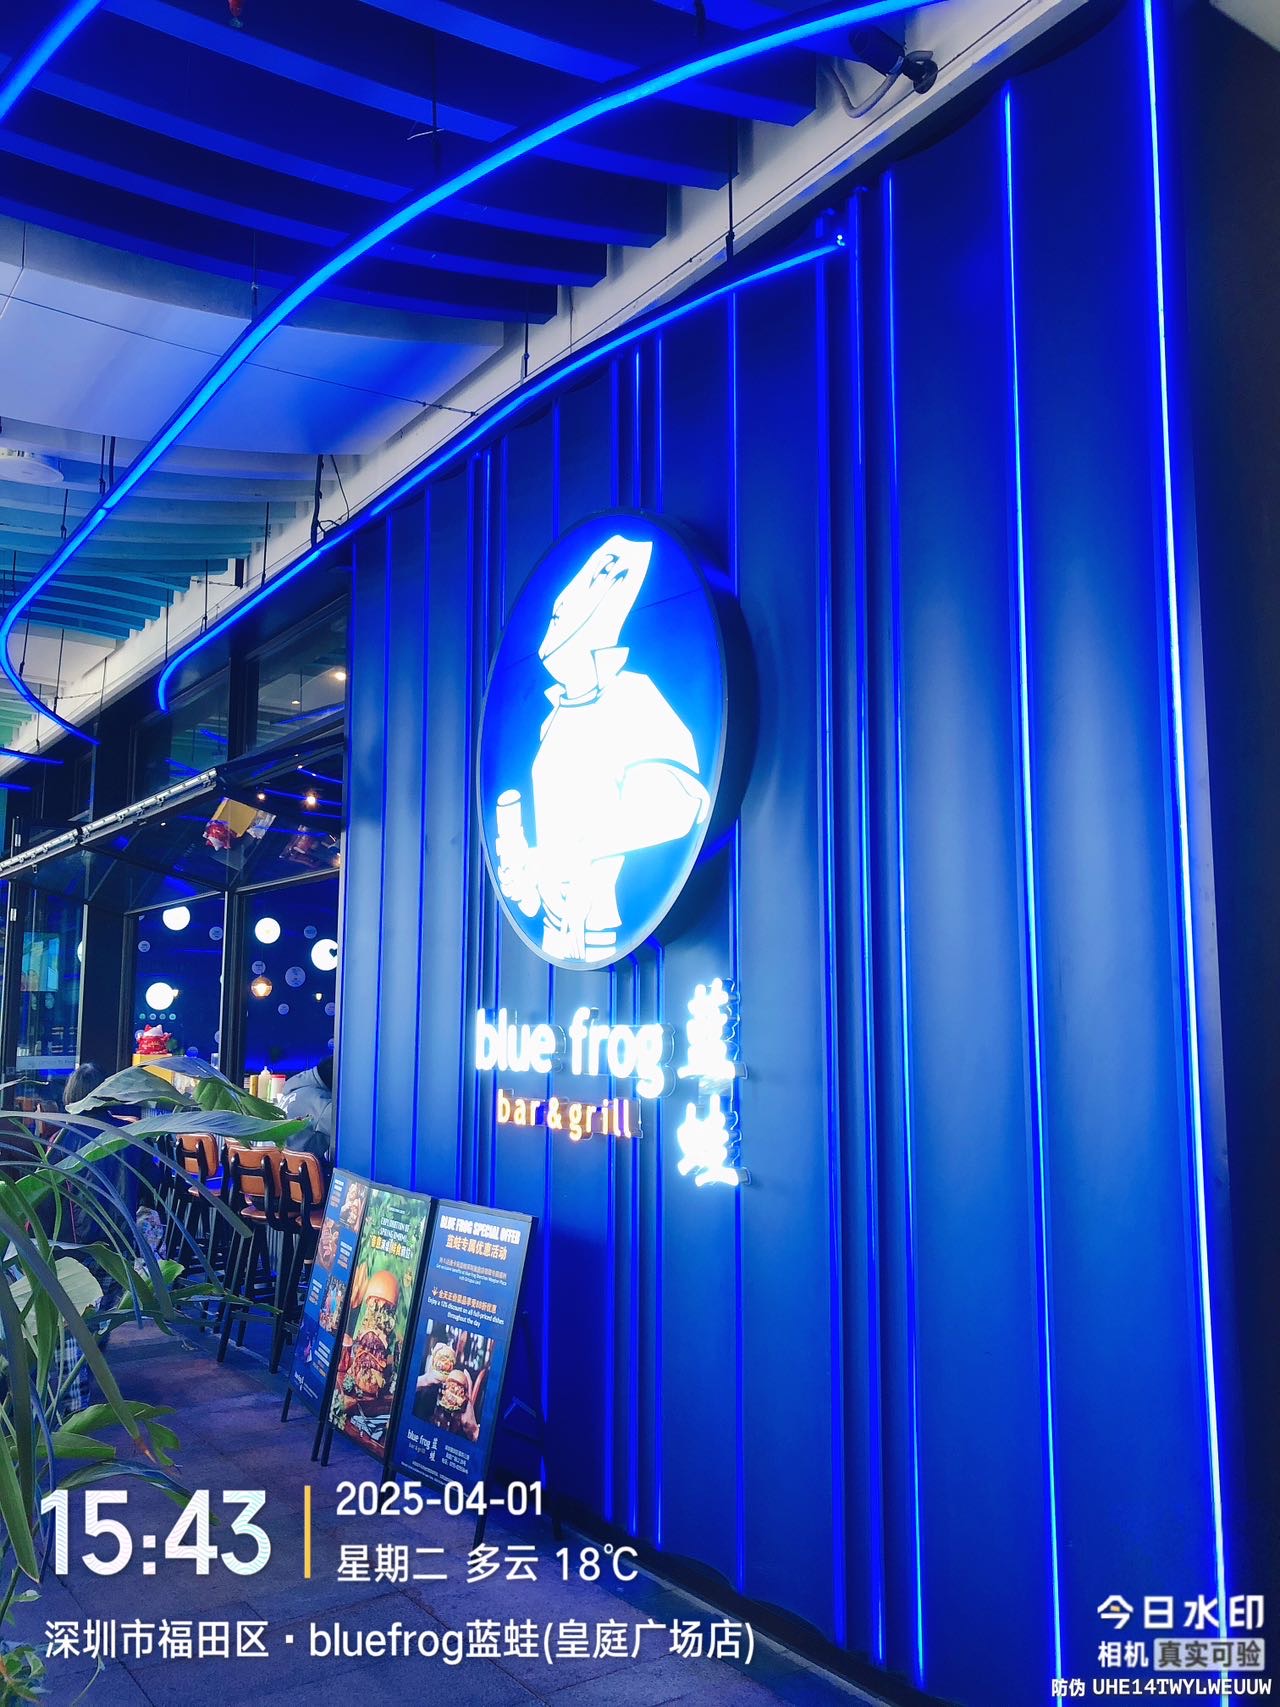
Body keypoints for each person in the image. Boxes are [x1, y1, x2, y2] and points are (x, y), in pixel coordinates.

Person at [280, 1055, 334, 1157]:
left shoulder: (295, 1090)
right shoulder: (320, 1103)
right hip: (299, 1166)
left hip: (278, 1164)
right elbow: (352, 1130)